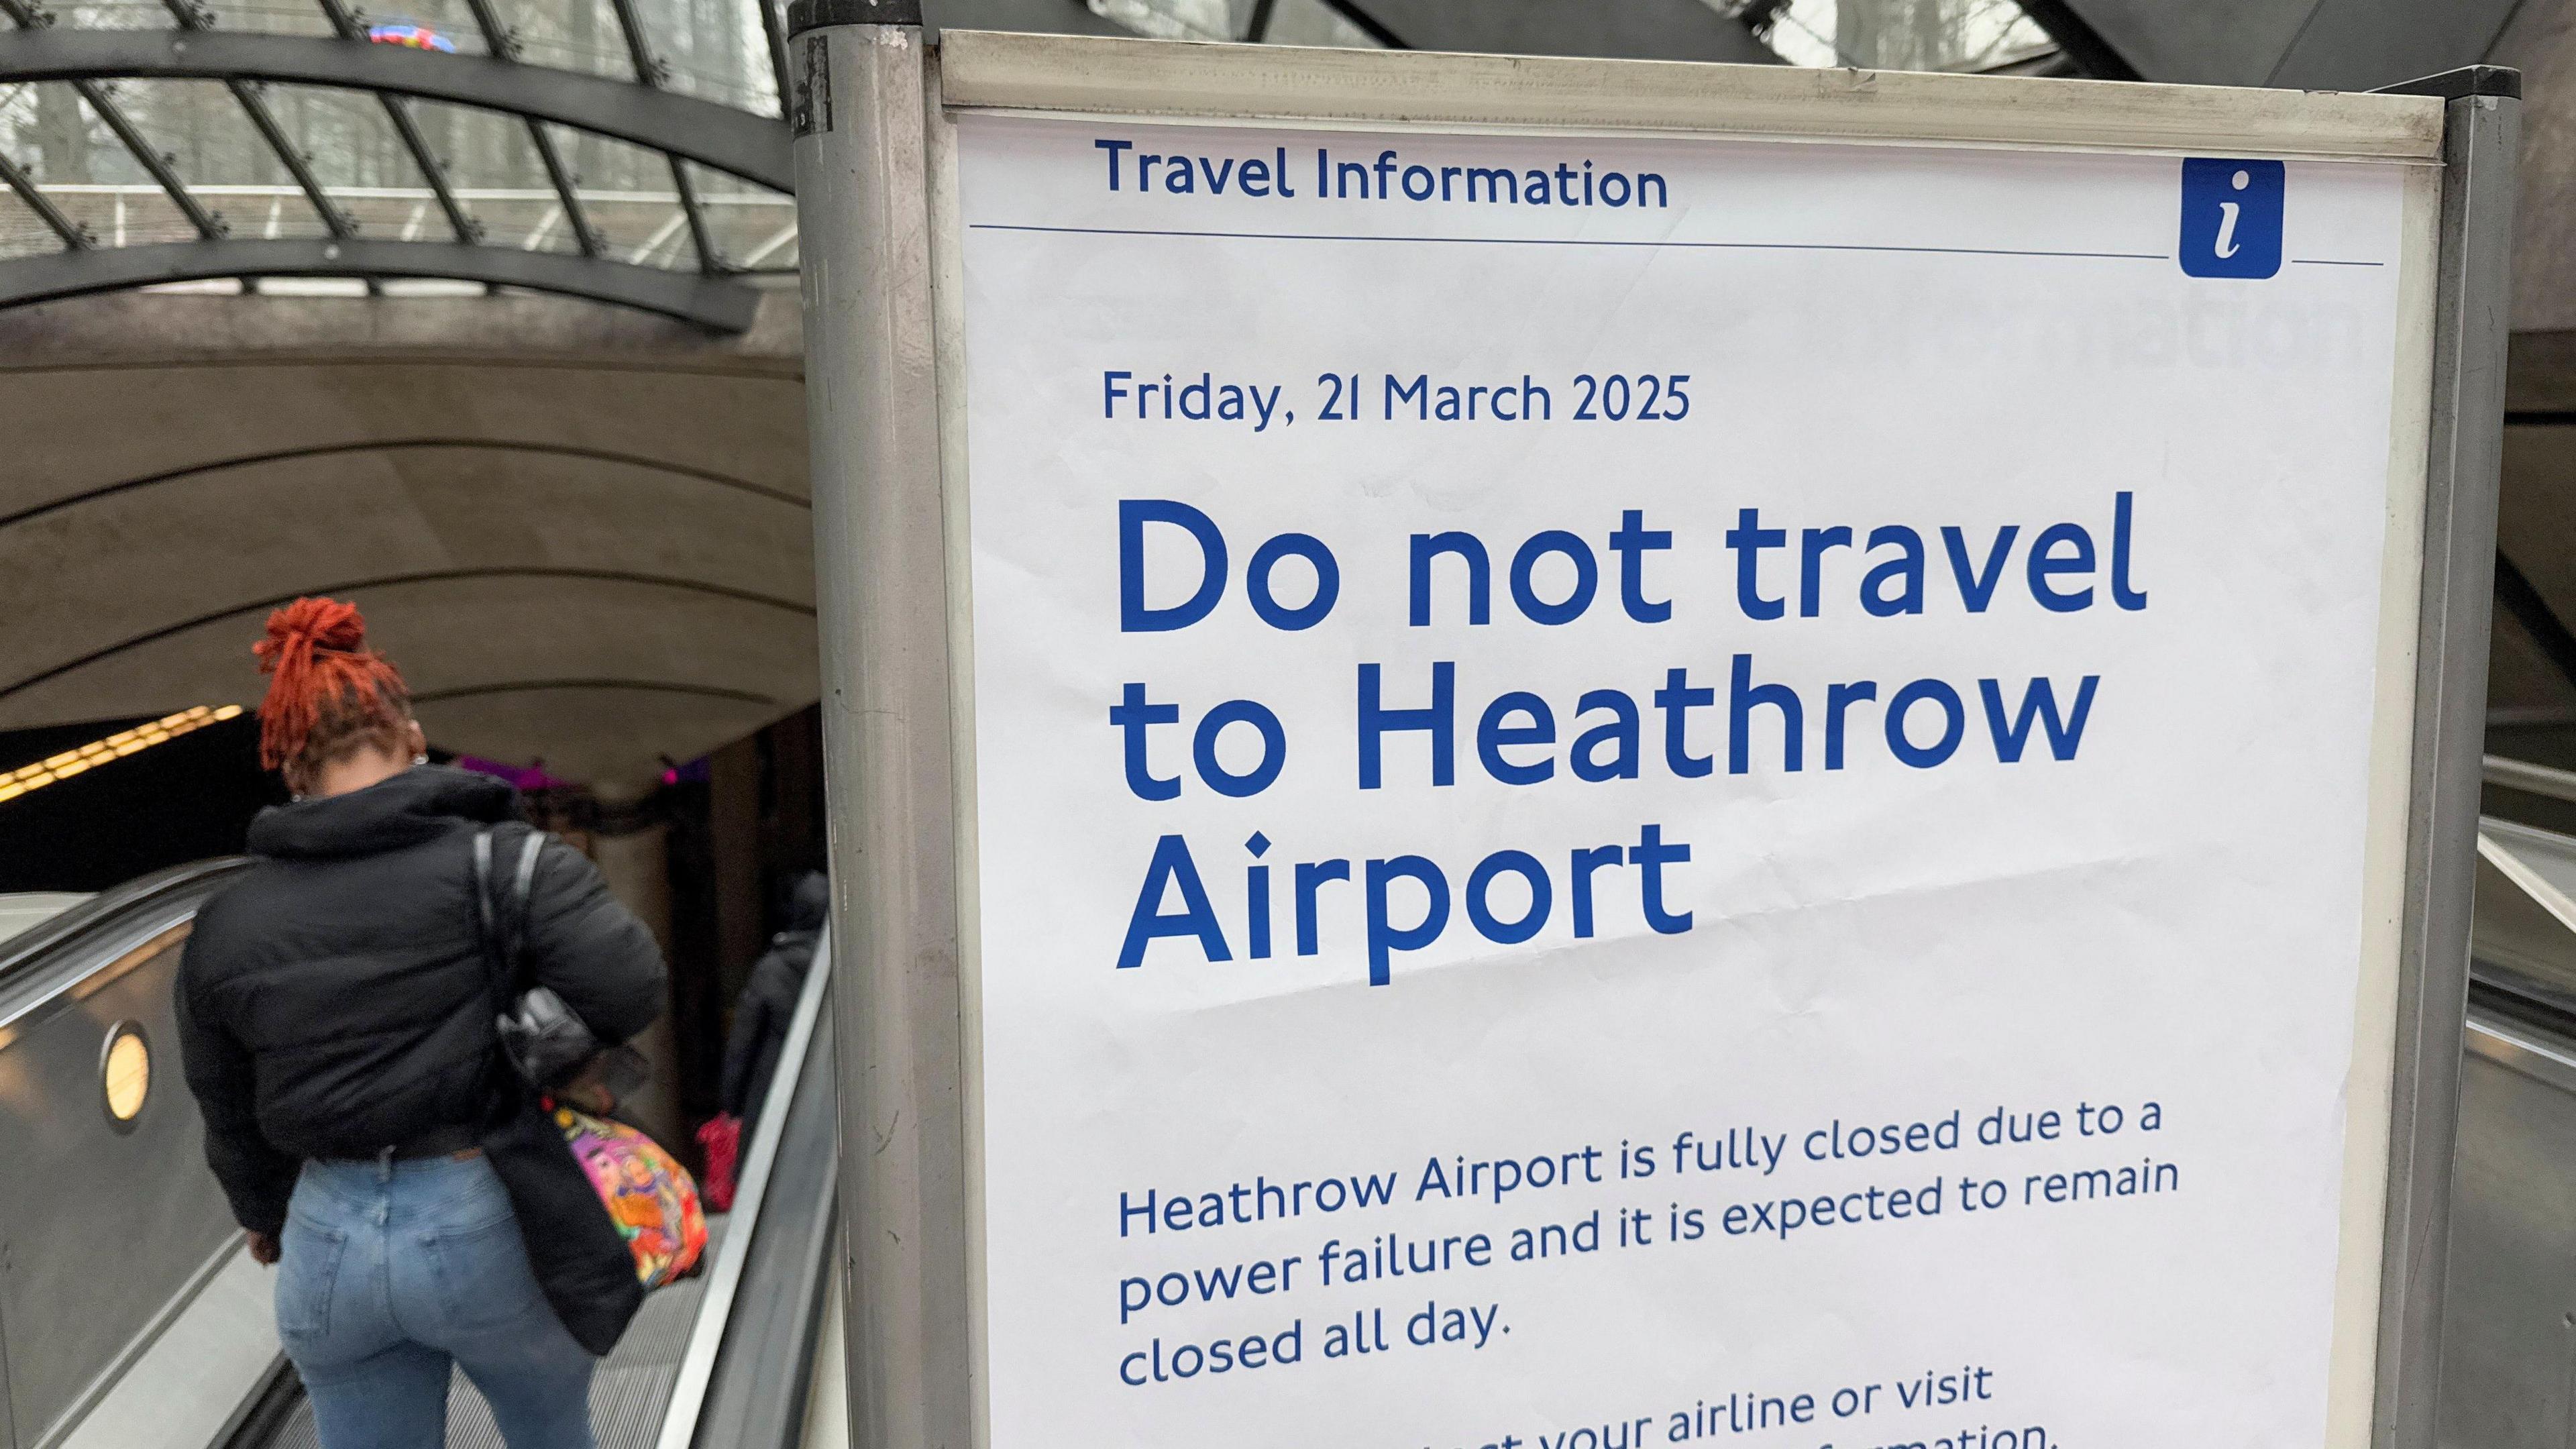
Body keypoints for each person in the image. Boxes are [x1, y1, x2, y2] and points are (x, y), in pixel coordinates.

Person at [176, 597, 667, 1449]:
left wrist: (265, 1211)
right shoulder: (507, 863)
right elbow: (631, 988)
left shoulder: (229, 921)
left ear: (291, 771)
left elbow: (224, 1098)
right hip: (486, 1206)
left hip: (327, 1236)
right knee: (550, 1430)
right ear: (412, 736)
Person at [718, 871, 828, 1137]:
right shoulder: (844, 969)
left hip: (774, 1089)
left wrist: (732, 1105)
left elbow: (743, 1044)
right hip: (828, 1091)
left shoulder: (773, 968)